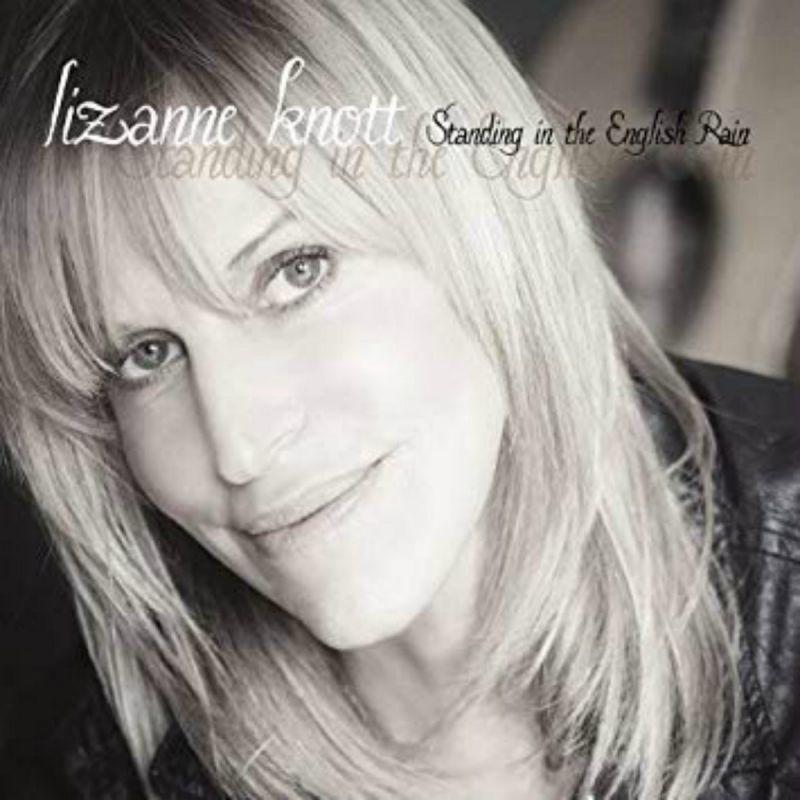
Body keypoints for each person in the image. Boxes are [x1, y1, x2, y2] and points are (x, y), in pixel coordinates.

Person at [0, 1, 798, 798]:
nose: (237, 446)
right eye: (146, 355)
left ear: (485, 220)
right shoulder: (90, 766)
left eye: (295, 271)